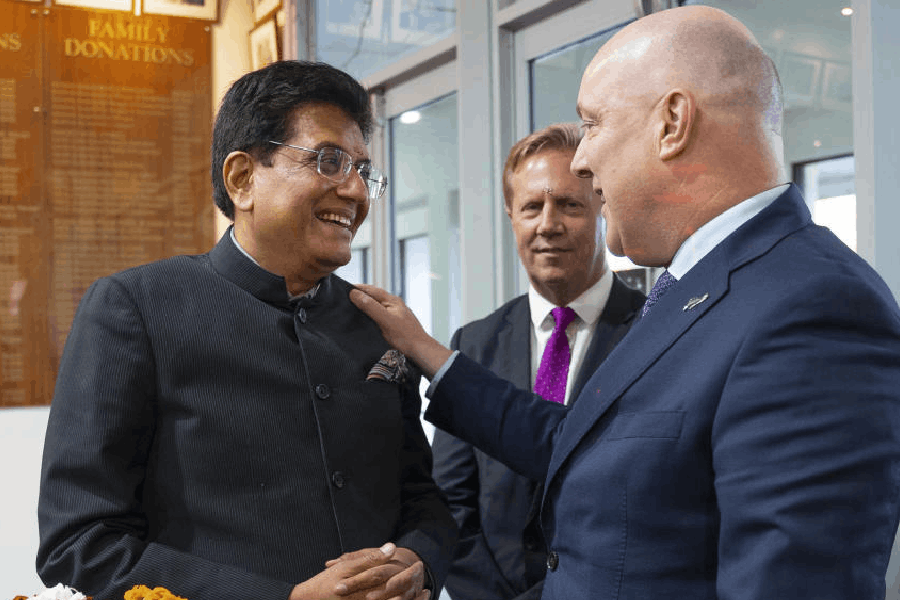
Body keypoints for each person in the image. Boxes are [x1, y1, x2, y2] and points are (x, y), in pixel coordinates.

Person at [347, 6, 900, 599]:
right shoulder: (690, 286)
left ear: (672, 122)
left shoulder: (814, 308)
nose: (583, 159)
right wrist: (428, 351)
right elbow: (583, 445)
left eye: (593, 124)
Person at [37, 60, 456, 600]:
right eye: (330, 161)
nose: (356, 191)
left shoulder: (375, 323)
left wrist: (417, 559)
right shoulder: (135, 309)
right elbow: (79, 543)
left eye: (363, 171)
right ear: (242, 179)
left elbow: (422, 498)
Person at [430, 123, 645, 600]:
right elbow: (451, 504)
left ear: (601, 210)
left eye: (570, 204)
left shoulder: (652, 333)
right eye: (531, 207)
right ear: (512, 216)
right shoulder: (475, 344)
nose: (548, 224)